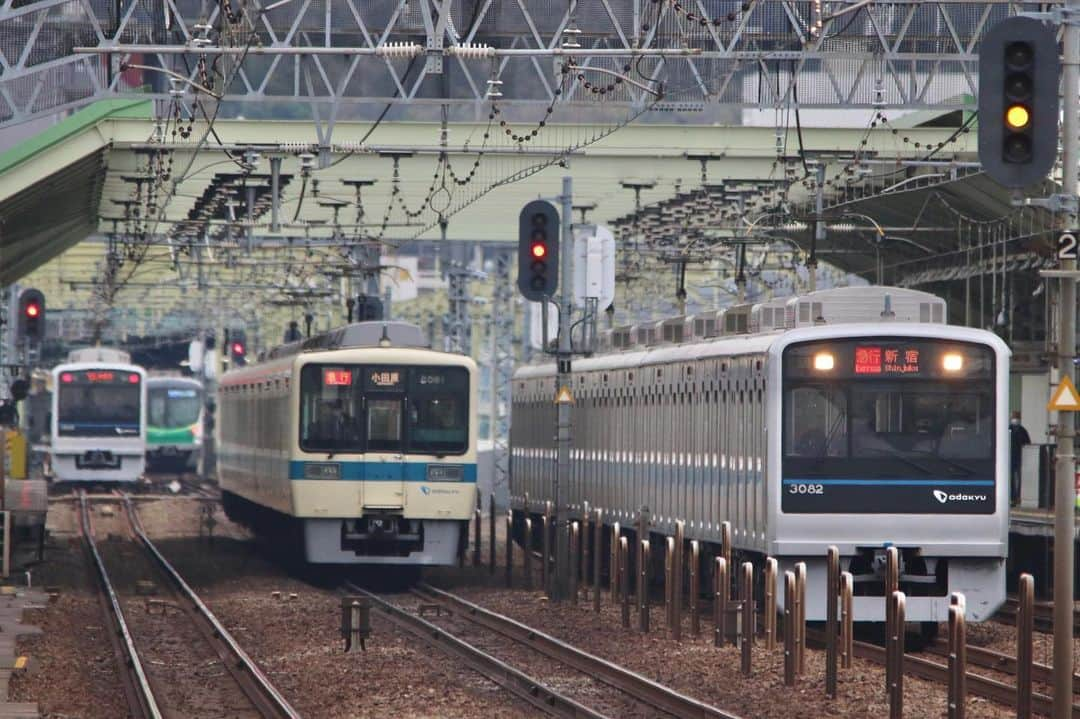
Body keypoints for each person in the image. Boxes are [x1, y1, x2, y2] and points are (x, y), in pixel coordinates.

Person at [1009, 411, 1031, 505]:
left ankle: (1017, 498)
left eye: (1016, 417)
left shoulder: (1022, 430)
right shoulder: (1008, 429)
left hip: (1018, 458)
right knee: (1012, 479)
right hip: (1010, 458)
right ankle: (1013, 497)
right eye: (1014, 417)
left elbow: (1027, 443)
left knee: (1018, 479)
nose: (1015, 419)